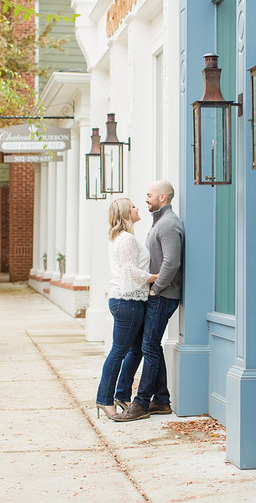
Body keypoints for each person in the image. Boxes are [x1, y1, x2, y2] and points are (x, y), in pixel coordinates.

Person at [113, 180, 183, 421]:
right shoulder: (159, 223)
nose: (145, 199)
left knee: (149, 347)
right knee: (151, 346)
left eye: (149, 195)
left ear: (162, 197)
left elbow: (171, 262)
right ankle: (161, 400)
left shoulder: (168, 224)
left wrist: (156, 288)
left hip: (162, 296)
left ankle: (141, 403)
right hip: (157, 294)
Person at [95, 197, 157, 421]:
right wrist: (155, 277)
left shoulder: (121, 238)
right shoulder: (127, 239)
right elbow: (130, 272)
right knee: (120, 351)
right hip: (127, 301)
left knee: (136, 349)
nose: (137, 207)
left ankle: (122, 394)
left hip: (130, 300)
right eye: (132, 206)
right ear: (125, 214)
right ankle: (104, 398)